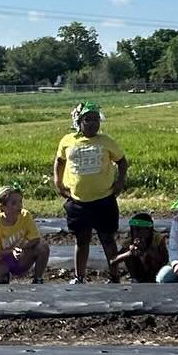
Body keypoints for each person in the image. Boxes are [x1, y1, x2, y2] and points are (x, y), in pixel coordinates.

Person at [52, 102, 127, 283]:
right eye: (88, 120)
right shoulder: (68, 141)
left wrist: (119, 181)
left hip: (104, 200)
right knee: (82, 240)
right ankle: (80, 277)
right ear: (79, 121)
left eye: (96, 119)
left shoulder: (106, 141)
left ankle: (115, 276)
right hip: (78, 202)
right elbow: (59, 162)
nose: (93, 123)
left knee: (107, 239)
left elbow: (122, 162)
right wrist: (58, 182)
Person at [0, 185, 50, 284]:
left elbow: (35, 239)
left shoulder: (25, 216)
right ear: (2, 207)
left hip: (22, 256)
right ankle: (4, 277)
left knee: (42, 246)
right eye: (14, 203)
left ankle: (38, 278)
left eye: (20, 202)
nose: (19, 206)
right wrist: (11, 251)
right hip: (2, 261)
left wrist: (22, 248)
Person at [109, 213, 168, 283]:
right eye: (134, 230)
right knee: (130, 258)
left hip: (156, 272)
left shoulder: (158, 239)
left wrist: (147, 252)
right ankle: (135, 279)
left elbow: (165, 260)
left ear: (149, 230)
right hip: (139, 273)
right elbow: (112, 261)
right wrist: (129, 253)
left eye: (139, 230)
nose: (136, 233)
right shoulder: (129, 242)